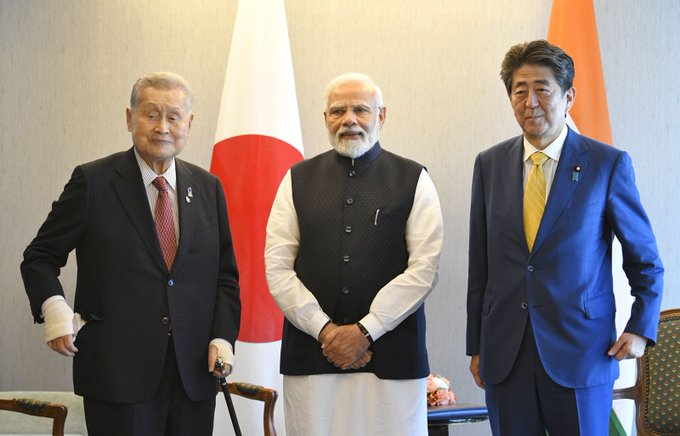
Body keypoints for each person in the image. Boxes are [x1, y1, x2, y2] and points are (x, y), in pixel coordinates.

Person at [20, 72, 241, 436]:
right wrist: (54, 309)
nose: (163, 127)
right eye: (151, 114)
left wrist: (222, 338)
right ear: (129, 118)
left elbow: (225, 277)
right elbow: (39, 257)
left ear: (190, 122)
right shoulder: (93, 182)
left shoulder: (208, 187)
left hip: (194, 374)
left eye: (174, 116)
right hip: (117, 375)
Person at [466, 39, 664, 435]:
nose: (531, 101)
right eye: (520, 90)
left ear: (568, 96)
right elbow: (480, 265)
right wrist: (476, 344)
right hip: (507, 354)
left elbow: (644, 258)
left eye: (543, 88)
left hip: (582, 351)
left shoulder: (607, 164)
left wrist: (641, 327)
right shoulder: (489, 164)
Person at [264, 72, 443, 436]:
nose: (349, 119)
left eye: (361, 109)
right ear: (326, 119)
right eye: (338, 110)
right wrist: (326, 331)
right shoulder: (296, 179)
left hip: (391, 360)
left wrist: (366, 331)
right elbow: (278, 267)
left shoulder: (413, 179)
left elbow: (424, 269)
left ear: (382, 115)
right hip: (312, 356)